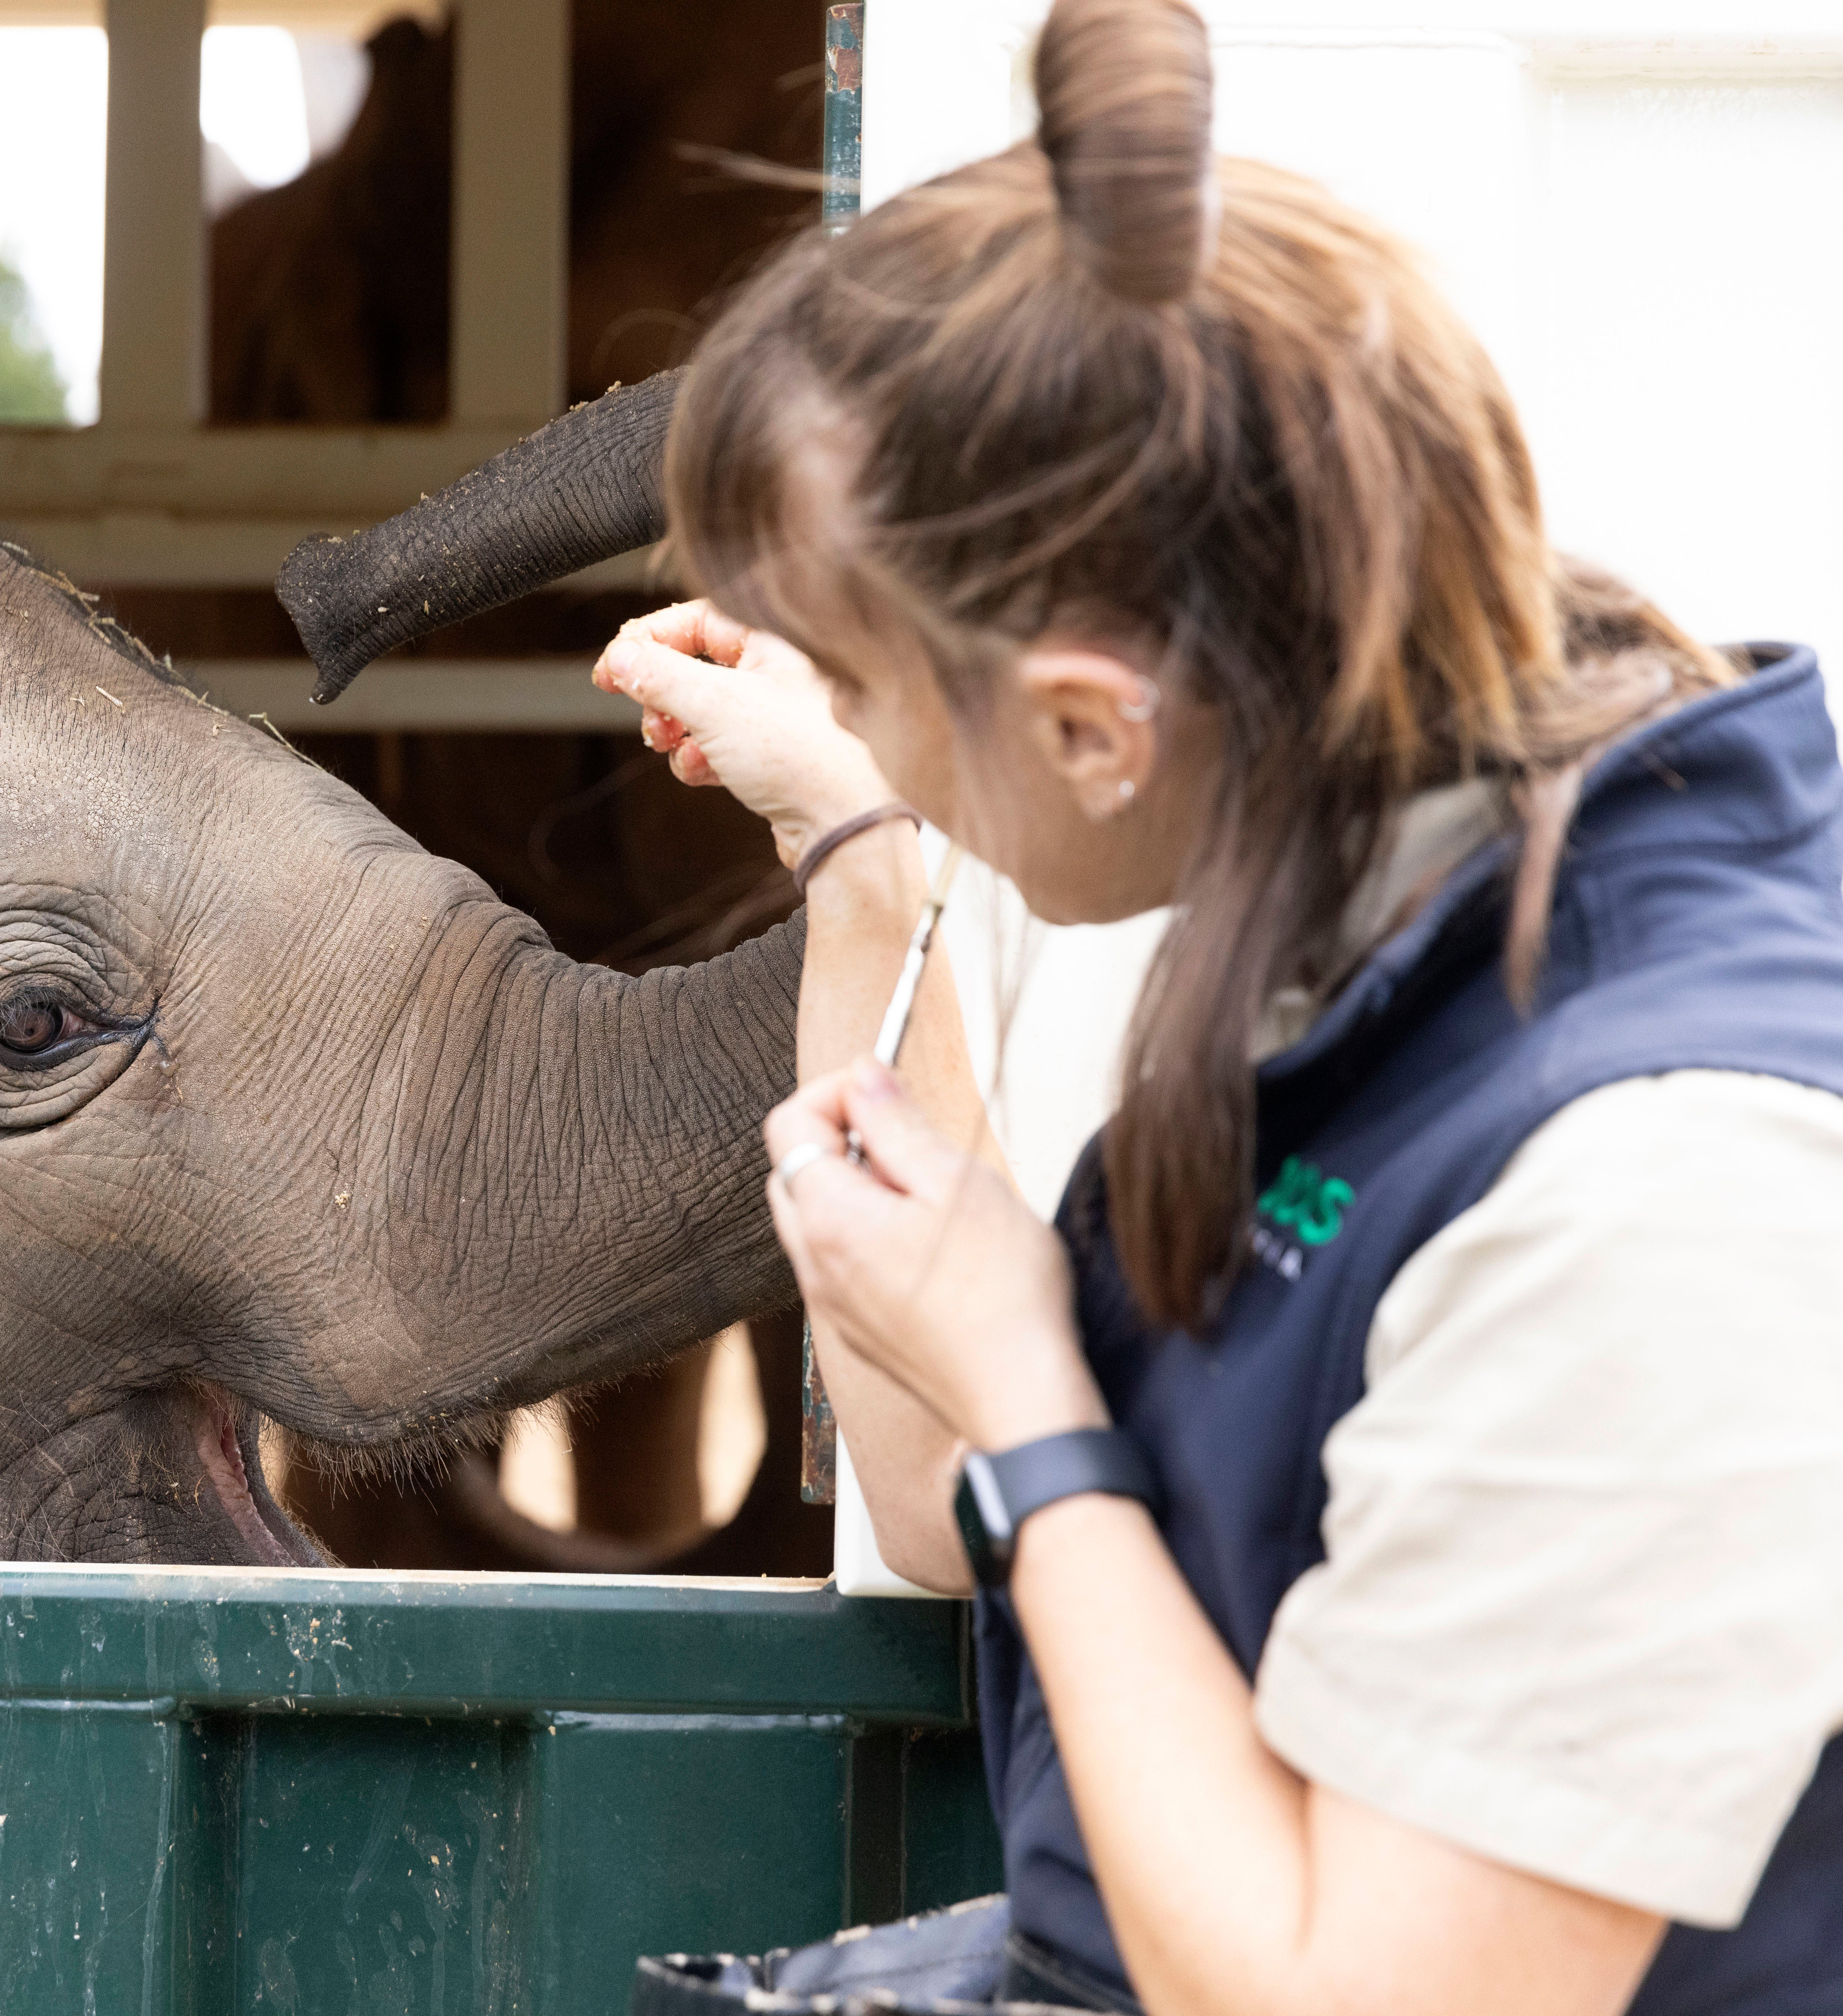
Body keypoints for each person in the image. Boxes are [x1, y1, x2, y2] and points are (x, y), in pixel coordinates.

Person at [593, 1, 1843, 2010]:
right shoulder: (1372, 927)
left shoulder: (1661, 1185)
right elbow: (948, 1517)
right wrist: (858, 839)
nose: (849, 720)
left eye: (863, 674)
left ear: (1094, 727)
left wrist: (1026, 1381)